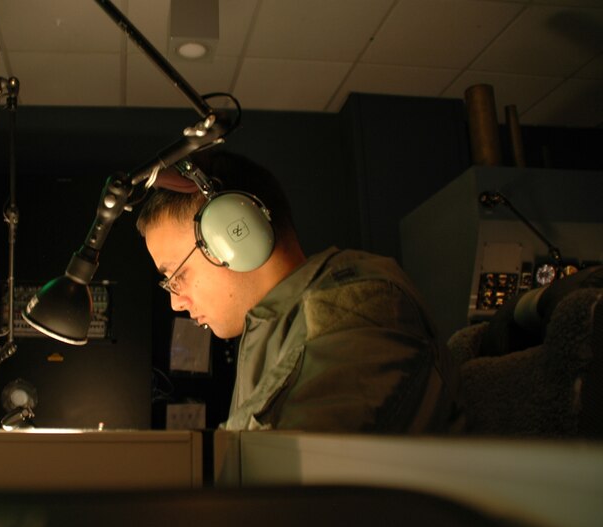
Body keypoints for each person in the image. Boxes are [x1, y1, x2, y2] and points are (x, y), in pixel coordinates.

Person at [136, 150, 462, 432]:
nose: (176, 302)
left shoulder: (357, 309)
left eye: (177, 275)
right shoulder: (271, 329)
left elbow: (295, 471)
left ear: (237, 233)